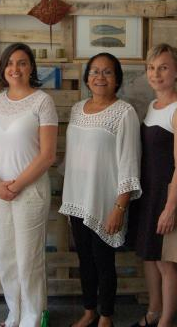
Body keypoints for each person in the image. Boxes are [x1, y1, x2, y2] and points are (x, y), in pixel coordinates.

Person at [61, 53, 142, 327]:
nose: (100, 77)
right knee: (85, 259)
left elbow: (130, 161)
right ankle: (89, 311)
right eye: (94, 71)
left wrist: (120, 206)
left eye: (107, 72)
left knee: (103, 261)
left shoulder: (124, 112)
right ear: (87, 78)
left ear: (117, 79)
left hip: (106, 201)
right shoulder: (77, 108)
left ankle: (106, 315)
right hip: (78, 198)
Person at [0, 43, 58, 327]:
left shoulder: (42, 102)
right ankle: (14, 312)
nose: (16, 68)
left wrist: (15, 186)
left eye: (22, 62)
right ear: (3, 69)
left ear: (32, 67)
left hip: (31, 191)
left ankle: (33, 317)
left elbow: (47, 155)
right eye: (10, 63)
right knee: (7, 256)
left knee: (29, 258)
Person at [129, 44, 177, 327]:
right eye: (151, 68)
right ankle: (153, 312)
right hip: (148, 194)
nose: (156, 74)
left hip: (167, 197)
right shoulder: (153, 107)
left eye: (163, 67)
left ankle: (166, 321)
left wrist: (170, 208)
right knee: (149, 257)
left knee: (166, 263)